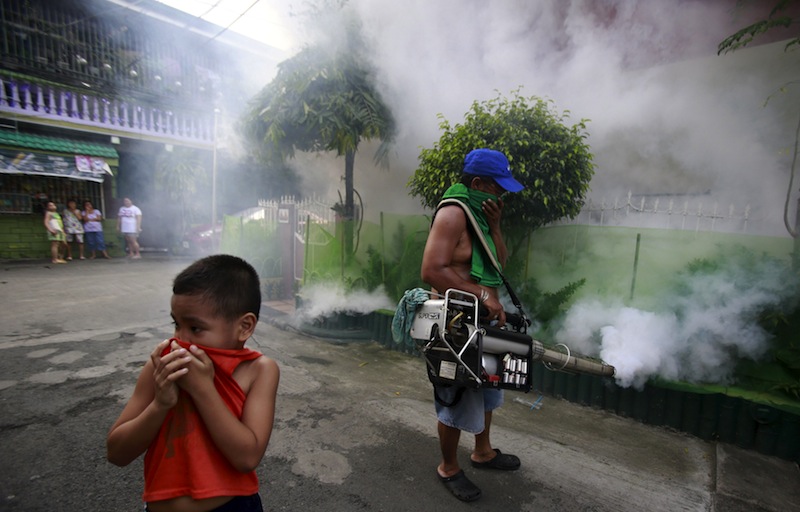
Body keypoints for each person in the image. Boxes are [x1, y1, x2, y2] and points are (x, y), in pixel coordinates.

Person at [107, 254, 280, 512]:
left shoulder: (258, 370)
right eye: (177, 324)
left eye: (195, 329)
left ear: (244, 327)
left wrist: (202, 389)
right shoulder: (162, 366)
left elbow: (247, 457)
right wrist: (160, 404)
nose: (180, 340)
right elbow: (117, 453)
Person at [420, 148, 525, 502]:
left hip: (484, 320)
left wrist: (495, 226)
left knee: (489, 386)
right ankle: (448, 467)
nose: (500, 197)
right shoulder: (453, 214)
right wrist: (482, 294)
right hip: (456, 324)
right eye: (497, 189)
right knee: (456, 394)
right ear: (477, 183)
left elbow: (499, 264)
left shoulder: (480, 218)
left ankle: (482, 451)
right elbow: (432, 270)